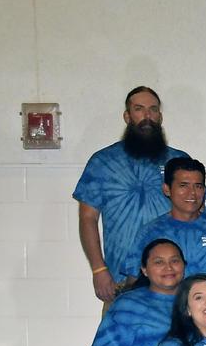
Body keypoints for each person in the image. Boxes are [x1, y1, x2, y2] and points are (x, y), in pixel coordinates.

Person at [74, 86, 186, 300]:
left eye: (153, 110)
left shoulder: (179, 162)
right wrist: (98, 270)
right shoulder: (103, 162)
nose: (147, 116)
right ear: (127, 116)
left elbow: (195, 216)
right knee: (120, 333)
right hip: (121, 282)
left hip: (174, 284)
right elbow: (87, 218)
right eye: (139, 109)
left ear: (160, 117)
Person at [125, 157, 206, 281]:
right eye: (183, 185)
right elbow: (133, 284)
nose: (192, 193)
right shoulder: (150, 232)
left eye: (198, 186)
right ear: (167, 189)